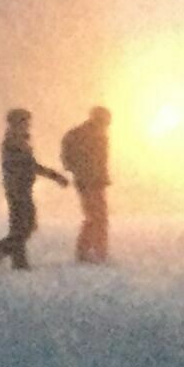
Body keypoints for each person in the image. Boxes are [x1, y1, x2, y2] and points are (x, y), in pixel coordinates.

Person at [0, 109, 69, 269]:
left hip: (22, 188)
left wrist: (53, 176)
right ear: (17, 123)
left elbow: (30, 166)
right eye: (25, 122)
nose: (28, 125)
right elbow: (26, 166)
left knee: (25, 226)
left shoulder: (19, 141)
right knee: (22, 226)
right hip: (18, 190)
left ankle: (15, 259)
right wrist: (53, 176)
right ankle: (6, 254)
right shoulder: (13, 141)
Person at [60, 106, 114, 265]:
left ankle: (93, 251)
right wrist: (83, 172)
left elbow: (68, 158)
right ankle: (93, 252)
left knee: (96, 217)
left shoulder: (88, 134)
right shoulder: (86, 135)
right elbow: (69, 158)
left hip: (93, 180)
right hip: (89, 181)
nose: (107, 125)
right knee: (97, 217)